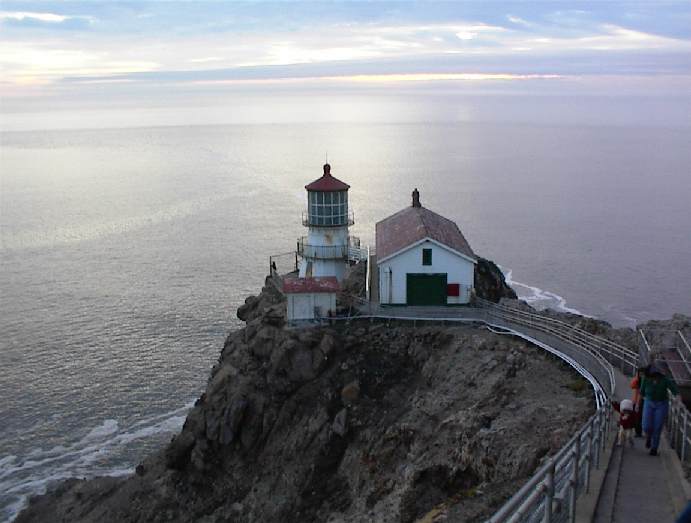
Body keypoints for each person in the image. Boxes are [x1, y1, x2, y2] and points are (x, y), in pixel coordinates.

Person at [641, 365, 679, 456]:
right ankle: (648, 436)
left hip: (661, 404)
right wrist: (639, 404)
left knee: (657, 426)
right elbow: (641, 392)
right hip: (649, 402)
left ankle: (654, 448)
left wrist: (678, 400)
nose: (653, 378)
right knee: (646, 425)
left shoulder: (665, 380)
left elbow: (675, 390)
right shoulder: (646, 379)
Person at [630, 366, 647, 437]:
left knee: (642, 417)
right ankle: (638, 432)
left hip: (644, 401)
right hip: (635, 400)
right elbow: (632, 385)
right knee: (637, 417)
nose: (641, 375)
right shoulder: (636, 381)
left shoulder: (646, 381)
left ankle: (643, 431)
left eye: (642, 374)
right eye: (640, 374)